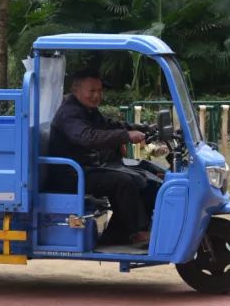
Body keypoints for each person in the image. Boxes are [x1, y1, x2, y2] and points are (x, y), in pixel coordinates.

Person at [44, 70, 152, 247]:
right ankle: (138, 232)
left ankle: (117, 234)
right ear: (76, 90)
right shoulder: (69, 113)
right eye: (92, 91)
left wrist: (142, 128)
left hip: (87, 167)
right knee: (123, 182)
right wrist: (125, 136)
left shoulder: (88, 110)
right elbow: (88, 137)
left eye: (100, 91)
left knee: (145, 172)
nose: (97, 95)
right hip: (70, 174)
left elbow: (108, 126)